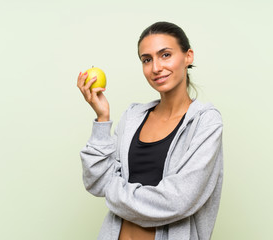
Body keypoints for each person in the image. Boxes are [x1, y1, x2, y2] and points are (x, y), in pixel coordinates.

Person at [77, 21, 223, 240]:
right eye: (147, 59)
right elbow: (96, 182)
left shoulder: (206, 122)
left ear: (188, 56)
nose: (155, 67)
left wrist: (114, 190)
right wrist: (102, 118)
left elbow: (178, 200)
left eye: (165, 55)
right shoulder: (133, 117)